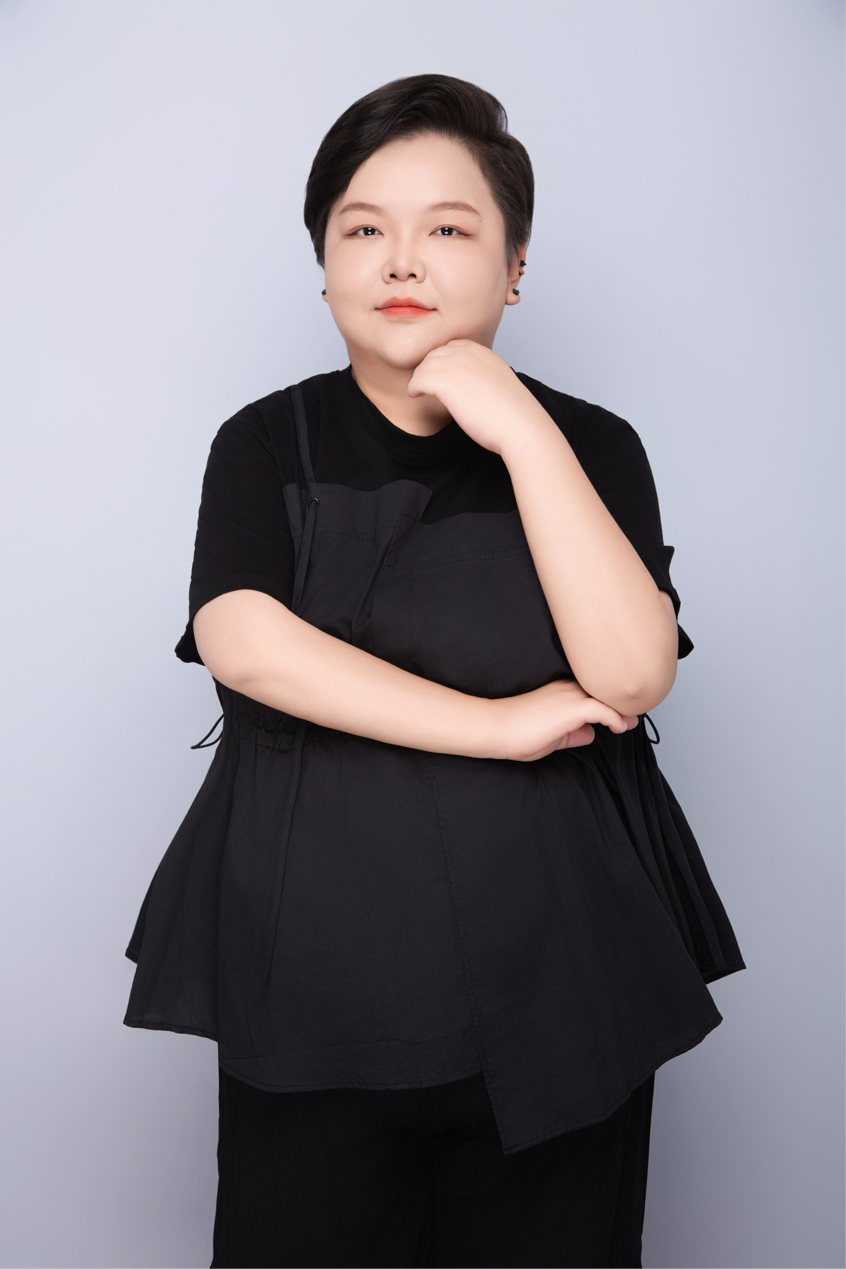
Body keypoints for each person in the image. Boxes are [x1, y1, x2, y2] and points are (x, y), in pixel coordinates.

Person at [124, 74, 743, 1268]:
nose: (401, 258)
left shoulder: (594, 442)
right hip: (314, 970)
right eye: (363, 229)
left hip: (563, 969)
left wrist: (519, 430)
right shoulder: (265, 439)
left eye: (449, 229)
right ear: (324, 265)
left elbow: (631, 674)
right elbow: (247, 644)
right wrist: (497, 726)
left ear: (514, 268)